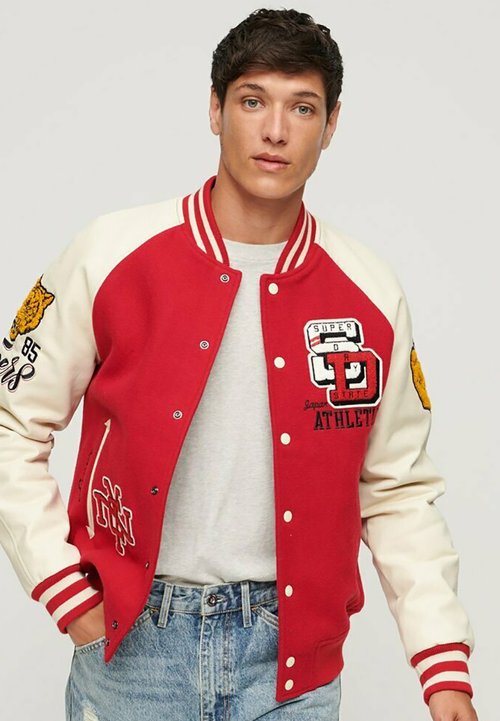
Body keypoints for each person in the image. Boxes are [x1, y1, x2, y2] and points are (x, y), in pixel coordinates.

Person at [0, 7, 479, 721]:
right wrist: (64, 591)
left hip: (292, 664)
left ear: (331, 124)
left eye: (303, 107)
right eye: (254, 101)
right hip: (135, 647)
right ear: (215, 109)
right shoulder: (111, 254)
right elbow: (12, 422)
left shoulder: (371, 292)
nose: (276, 130)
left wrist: (443, 667)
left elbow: (398, 490)